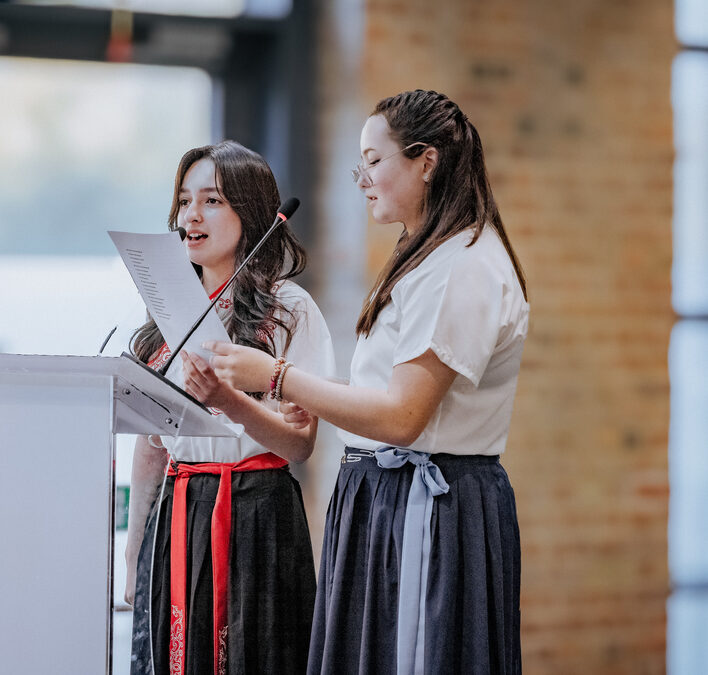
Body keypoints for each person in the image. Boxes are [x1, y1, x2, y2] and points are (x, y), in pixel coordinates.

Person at [201, 90, 529, 674]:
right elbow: (385, 397)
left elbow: (403, 418)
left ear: (426, 161)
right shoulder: (428, 255)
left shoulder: (461, 265)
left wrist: (277, 376)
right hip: (385, 497)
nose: (362, 179)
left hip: (426, 502)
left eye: (373, 161)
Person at [125, 140, 336, 675]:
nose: (191, 214)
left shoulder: (289, 308)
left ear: (254, 212)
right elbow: (152, 446)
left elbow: (299, 445)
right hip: (177, 508)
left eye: (212, 200)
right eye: (184, 200)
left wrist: (228, 401)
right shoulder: (166, 310)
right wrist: (133, 552)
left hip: (256, 512)